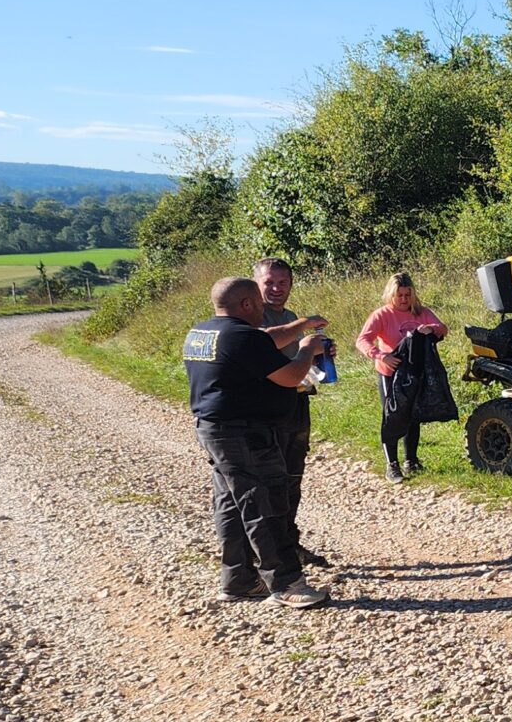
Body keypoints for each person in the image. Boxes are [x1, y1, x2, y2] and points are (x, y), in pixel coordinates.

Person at [184, 277, 335, 608]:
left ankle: (238, 580)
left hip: (214, 430)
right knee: (264, 504)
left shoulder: (203, 332)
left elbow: (265, 338)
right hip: (245, 434)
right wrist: (308, 351)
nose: (263, 310)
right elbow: (291, 376)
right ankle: (286, 583)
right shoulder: (241, 337)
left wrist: (301, 327)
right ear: (247, 304)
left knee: (231, 505)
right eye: (259, 303)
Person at [253, 258, 334, 569]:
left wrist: (317, 355)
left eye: (282, 282)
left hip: (297, 402)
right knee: (268, 481)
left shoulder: (288, 315)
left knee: (292, 476)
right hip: (268, 408)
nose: (276, 288)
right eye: (269, 282)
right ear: (256, 284)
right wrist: (303, 329)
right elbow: (264, 344)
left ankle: (289, 544)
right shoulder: (252, 316)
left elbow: (296, 361)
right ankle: (264, 553)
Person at [354, 273, 449, 481]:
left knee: (412, 415)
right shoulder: (382, 314)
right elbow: (362, 340)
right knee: (393, 416)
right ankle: (392, 465)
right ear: (391, 295)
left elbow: (443, 329)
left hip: (413, 371)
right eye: (400, 295)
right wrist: (381, 355)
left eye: (408, 295)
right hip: (390, 371)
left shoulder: (421, 312)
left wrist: (430, 329)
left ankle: (411, 460)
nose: (404, 299)